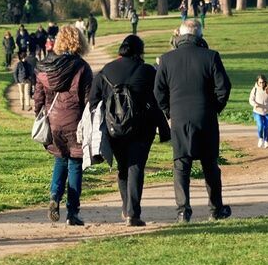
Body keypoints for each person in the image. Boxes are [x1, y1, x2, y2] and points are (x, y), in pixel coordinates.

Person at [155, 20, 232, 223]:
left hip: (179, 118)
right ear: (199, 35)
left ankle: (183, 210)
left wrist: (168, 111)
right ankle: (215, 209)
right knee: (210, 165)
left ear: (180, 35)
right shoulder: (211, 56)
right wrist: (215, 108)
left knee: (181, 165)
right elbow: (224, 87)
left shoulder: (166, 59)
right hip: (205, 117)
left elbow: (158, 91)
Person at [90, 35, 168, 226]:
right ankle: (133, 212)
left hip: (114, 129)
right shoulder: (147, 71)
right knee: (136, 167)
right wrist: (164, 128)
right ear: (140, 52)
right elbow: (158, 100)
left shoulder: (106, 71)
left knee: (123, 167)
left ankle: (126, 209)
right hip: (142, 129)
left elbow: (93, 100)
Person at [33, 26, 93, 226]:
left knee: (60, 159)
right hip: (75, 120)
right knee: (75, 164)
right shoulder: (82, 67)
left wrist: (39, 116)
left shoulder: (46, 67)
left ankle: (54, 196)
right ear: (80, 42)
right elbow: (88, 98)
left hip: (54, 121)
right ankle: (72, 212)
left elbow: (39, 97)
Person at [249, 75, 268, 149]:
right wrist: (254, 104)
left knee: (266, 127)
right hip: (257, 111)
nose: (261, 84)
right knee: (260, 126)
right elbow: (251, 99)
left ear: (265, 82)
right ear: (257, 82)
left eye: (263, 82)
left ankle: (266, 142)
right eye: (260, 82)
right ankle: (260, 138)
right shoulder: (255, 89)